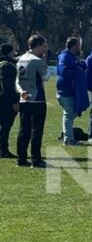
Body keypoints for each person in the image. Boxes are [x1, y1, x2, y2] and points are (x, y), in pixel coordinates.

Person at [16, 35, 50, 168]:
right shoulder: (37, 60)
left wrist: (21, 92)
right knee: (37, 130)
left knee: (24, 130)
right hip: (37, 99)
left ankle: (21, 158)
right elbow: (46, 77)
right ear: (37, 45)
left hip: (24, 98)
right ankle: (36, 159)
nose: (44, 49)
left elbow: (17, 80)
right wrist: (44, 61)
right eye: (43, 46)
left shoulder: (21, 59)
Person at [56, 37, 87, 145]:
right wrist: (77, 70)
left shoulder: (73, 56)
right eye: (78, 44)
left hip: (72, 90)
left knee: (71, 114)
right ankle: (68, 139)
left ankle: (69, 137)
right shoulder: (65, 56)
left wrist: (80, 62)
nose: (80, 47)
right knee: (69, 114)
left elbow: (84, 67)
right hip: (65, 90)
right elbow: (63, 71)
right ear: (74, 46)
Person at [0, 43, 20, 159]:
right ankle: (4, 149)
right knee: (6, 125)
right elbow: (9, 86)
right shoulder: (8, 66)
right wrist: (15, 102)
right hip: (6, 100)